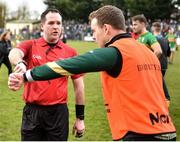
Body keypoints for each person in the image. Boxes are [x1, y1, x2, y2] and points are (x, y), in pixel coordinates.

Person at [8, 5, 176, 141]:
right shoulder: (149, 54)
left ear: (106, 29)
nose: (94, 36)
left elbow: (65, 66)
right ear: (42, 25)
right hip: (167, 131)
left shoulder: (115, 52)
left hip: (139, 133)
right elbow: (165, 97)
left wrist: (26, 76)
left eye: (94, 31)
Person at [8, 8, 85, 141]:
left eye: (58, 23)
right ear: (42, 26)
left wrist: (80, 118)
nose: (55, 26)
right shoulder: (31, 45)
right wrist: (20, 63)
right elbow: (14, 52)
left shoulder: (70, 52)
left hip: (58, 113)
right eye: (51, 23)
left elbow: (79, 87)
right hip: (32, 113)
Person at [131, 15, 171, 104]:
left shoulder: (149, 36)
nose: (133, 27)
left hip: (150, 69)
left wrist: (148, 64)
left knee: (156, 89)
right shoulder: (139, 37)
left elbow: (158, 51)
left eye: (135, 24)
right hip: (142, 70)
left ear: (143, 24)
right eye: (132, 25)